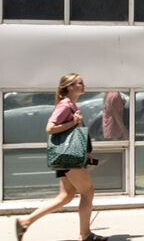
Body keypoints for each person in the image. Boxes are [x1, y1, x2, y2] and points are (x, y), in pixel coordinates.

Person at [13, 73, 105, 241]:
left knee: (66, 196)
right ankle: (85, 234)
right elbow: (50, 128)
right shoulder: (65, 106)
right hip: (69, 156)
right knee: (88, 191)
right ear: (69, 87)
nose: (83, 84)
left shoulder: (72, 105)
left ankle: (25, 221)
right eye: (80, 82)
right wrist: (73, 122)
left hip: (67, 156)